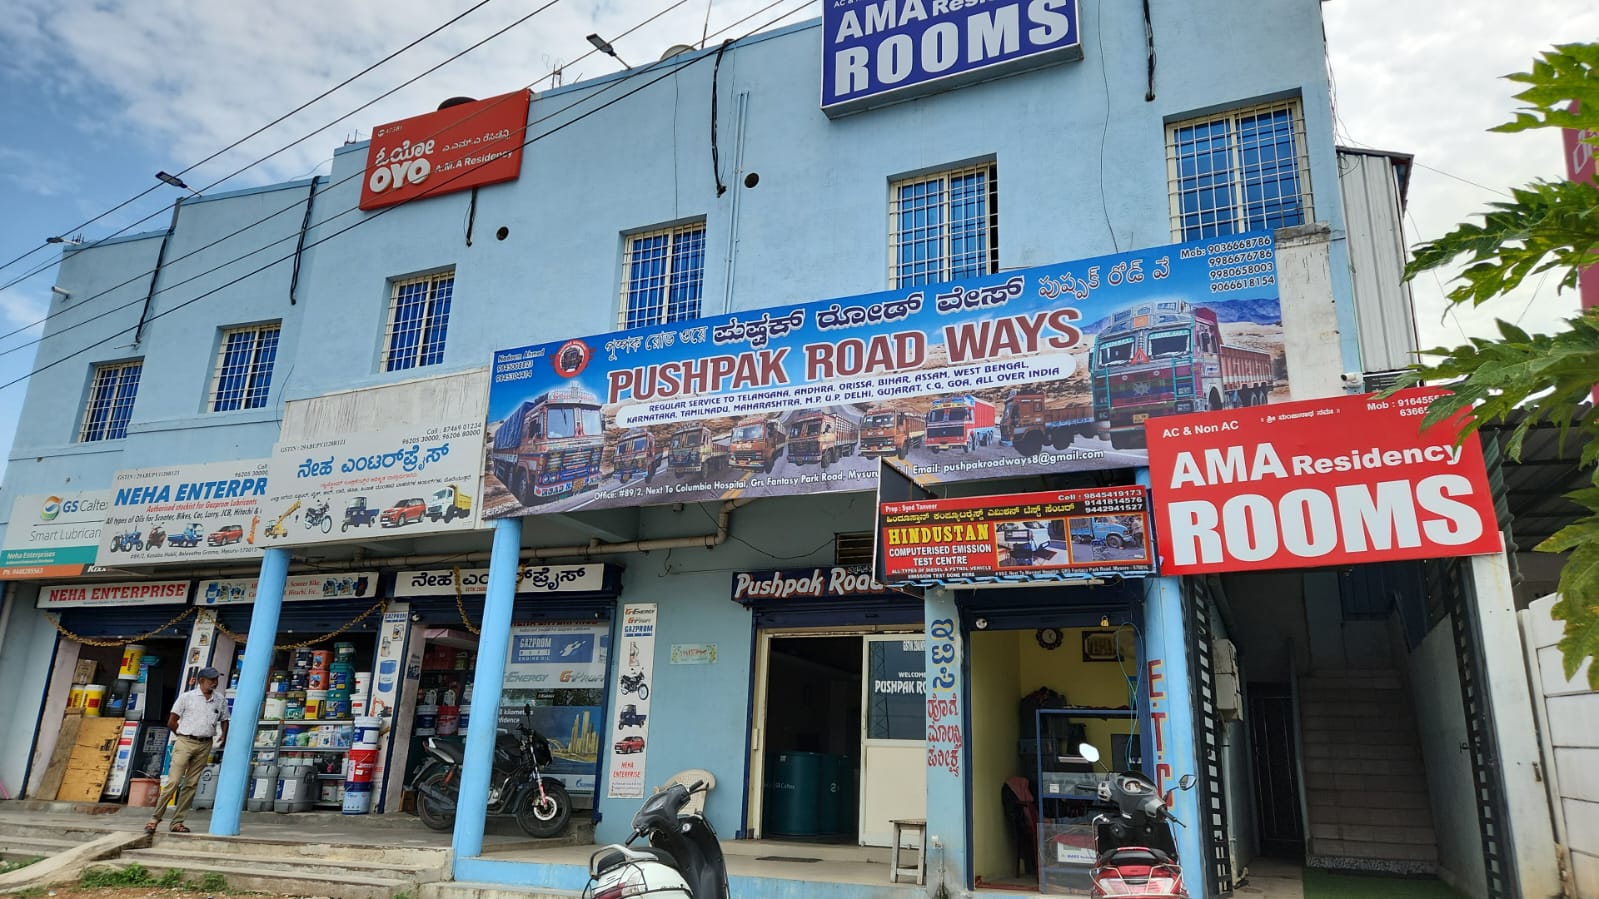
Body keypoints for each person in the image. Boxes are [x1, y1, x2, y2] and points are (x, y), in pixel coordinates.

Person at [145, 666, 229, 833]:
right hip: (185, 741)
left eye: (216, 679)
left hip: (205, 743)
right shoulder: (187, 697)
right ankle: (154, 819)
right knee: (174, 782)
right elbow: (172, 721)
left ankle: (177, 822)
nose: (215, 682)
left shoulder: (220, 699)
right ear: (201, 681)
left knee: (191, 784)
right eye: (211, 679)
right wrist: (182, 735)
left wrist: (224, 736)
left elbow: (225, 720)